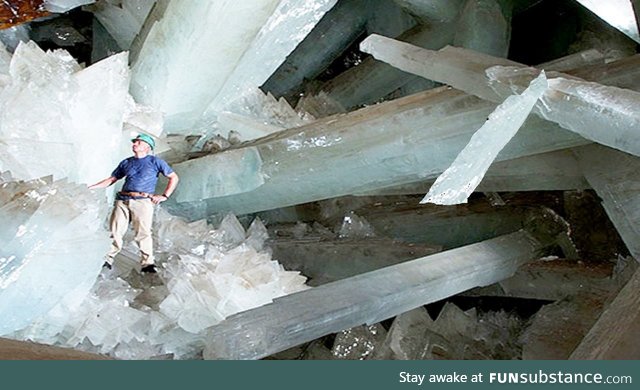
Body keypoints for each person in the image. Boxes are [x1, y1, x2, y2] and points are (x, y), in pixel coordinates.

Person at [89, 133, 179, 273]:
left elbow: (173, 177)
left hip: (142, 201)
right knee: (115, 231)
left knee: (143, 233)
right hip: (123, 200)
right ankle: (108, 259)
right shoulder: (126, 162)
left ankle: (147, 263)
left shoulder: (155, 161)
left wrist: (165, 196)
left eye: (138, 142)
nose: (135, 144)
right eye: (135, 142)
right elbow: (112, 179)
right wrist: (91, 187)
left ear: (147, 147)